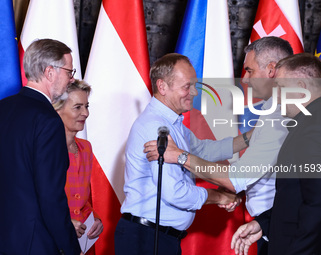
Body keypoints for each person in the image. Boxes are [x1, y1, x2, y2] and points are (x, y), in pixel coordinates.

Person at [144, 36, 293, 254]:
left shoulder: (277, 114)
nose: (245, 79)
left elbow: (236, 178)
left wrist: (180, 156)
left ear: (271, 69)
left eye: (249, 70)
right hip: (273, 222)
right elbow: (209, 151)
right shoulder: (276, 110)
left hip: (283, 227)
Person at [114, 53, 246, 255]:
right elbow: (176, 193)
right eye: (187, 86)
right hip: (147, 240)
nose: (194, 92)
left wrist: (250, 138)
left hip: (158, 238)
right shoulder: (157, 128)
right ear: (162, 87)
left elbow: (206, 150)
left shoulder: (171, 124)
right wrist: (219, 197)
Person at [231, 53, 321, 255]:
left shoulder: (315, 131)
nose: (276, 96)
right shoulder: (316, 124)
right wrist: (263, 223)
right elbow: (297, 198)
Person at [0, 39, 81, 254]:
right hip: (33, 243)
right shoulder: (48, 120)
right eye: (69, 71)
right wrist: (71, 247)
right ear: (50, 72)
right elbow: (50, 196)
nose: (71, 79)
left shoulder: (3, 108)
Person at [53, 79, 104, 254]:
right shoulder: (44, 150)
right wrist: (65, 224)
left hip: (84, 242)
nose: (86, 113)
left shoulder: (86, 147)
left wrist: (95, 219)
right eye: (78, 107)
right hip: (54, 241)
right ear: (58, 109)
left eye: (86, 106)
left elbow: (83, 200)